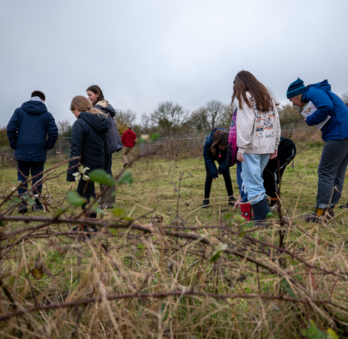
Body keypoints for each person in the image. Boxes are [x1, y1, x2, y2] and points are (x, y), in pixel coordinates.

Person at [287, 78, 348, 222]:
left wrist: (310, 120)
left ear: (297, 95)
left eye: (291, 100)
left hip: (338, 134)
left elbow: (326, 106)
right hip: (345, 133)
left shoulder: (312, 91)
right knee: (337, 173)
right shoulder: (319, 91)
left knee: (325, 172)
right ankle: (328, 211)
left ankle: (320, 214)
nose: (293, 104)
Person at [233, 70, 280, 224]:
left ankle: (260, 221)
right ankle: (265, 212)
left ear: (240, 84)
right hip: (267, 145)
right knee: (257, 179)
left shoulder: (245, 97)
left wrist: (241, 147)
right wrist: (275, 144)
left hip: (252, 147)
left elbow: (245, 124)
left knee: (251, 182)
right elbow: (276, 122)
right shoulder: (267, 98)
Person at [7, 90, 58, 213]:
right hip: (39, 149)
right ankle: (35, 204)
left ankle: (22, 204)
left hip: (22, 149)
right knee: (37, 177)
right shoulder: (47, 114)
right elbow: (53, 133)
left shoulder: (19, 111)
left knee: (22, 176)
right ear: (43, 101)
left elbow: (10, 128)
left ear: (31, 98)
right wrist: (47, 147)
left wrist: (15, 145)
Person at [67, 96, 110, 232]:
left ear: (77, 108)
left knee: (87, 196)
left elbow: (76, 150)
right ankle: (86, 224)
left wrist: (72, 172)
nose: (74, 115)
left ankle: (89, 227)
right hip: (98, 164)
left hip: (86, 166)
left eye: (73, 111)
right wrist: (107, 167)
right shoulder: (100, 121)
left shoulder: (79, 124)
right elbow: (106, 147)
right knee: (84, 193)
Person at [86, 85, 122, 208]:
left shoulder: (99, 108)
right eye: (87, 95)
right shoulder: (103, 107)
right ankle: (104, 198)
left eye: (90, 95)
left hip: (104, 145)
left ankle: (110, 201)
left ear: (97, 94)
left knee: (105, 172)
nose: (88, 98)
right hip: (104, 144)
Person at [203, 128, 235, 208]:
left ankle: (231, 198)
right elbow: (207, 156)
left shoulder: (229, 141)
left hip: (223, 156)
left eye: (225, 147)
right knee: (209, 176)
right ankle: (206, 200)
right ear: (217, 143)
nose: (224, 148)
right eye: (222, 147)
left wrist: (221, 169)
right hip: (211, 154)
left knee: (227, 175)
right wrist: (214, 172)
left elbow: (228, 156)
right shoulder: (209, 142)